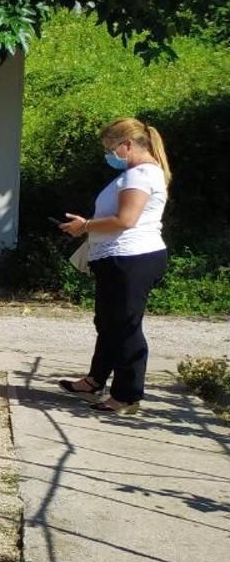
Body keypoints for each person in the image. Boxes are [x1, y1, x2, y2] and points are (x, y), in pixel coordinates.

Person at [56, 118, 171, 414]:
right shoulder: (137, 173)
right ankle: (95, 380)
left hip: (132, 258)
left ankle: (126, 395)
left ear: (128, 145)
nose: (109, 155)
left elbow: (125, 220)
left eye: (111, 148)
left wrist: (85, 226)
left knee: (125, 325)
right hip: (118, 259)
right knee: (108, 322)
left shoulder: (140, 175)